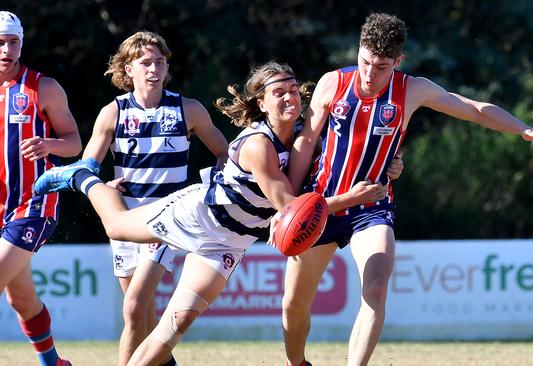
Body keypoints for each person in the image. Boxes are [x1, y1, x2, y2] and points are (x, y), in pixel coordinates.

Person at [33, 61, 388, 366]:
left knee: (178, 321)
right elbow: (287, 207)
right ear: (261, 103)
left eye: (294, 90)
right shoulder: (258, 144)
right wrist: (350, 199)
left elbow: (343, 157)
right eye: (278, 92)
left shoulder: (303, 137)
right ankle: (81, 176)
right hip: (199, 215)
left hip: (230, 244)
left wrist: (392, 164)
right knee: (116, 225)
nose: (289, 97)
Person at [282, 13, 533, 366]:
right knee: (294, 305)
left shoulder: (412, 89)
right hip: (324, 205)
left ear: (398, 62)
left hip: (373, 207)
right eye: (364, 61)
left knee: (377, 289)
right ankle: (297, 363)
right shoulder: (332, 83)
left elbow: (474, 109)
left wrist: (524, 130)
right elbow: (306, 143)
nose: (369, 74)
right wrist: (289, 202)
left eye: (381, 66)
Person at [82, 31, 228, 366]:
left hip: (165, 220)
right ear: (127, 69)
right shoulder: (113, 112)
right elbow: (86, 168)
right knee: (144, 316)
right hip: (124, 220)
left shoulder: (187, 109)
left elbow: (224, 154)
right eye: (145, 62)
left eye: (159, 62)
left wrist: (216, 187)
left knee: (133, 307)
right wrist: (103, 183)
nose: (154, 68)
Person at [0, 11, 82, 366]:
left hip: (32, 206)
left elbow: (75, 141)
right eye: (0, 42)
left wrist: (49, 146)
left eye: (13, 41)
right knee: (21, 299)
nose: (6, 49)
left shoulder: (42, 87)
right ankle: (54, 364)